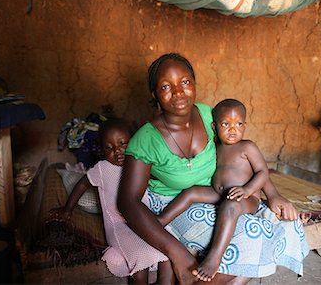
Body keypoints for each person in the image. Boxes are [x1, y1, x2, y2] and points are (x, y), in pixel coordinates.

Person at [118, 53, 309, 285]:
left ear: (194, 84)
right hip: (173, 204)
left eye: (185, 82)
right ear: (155, 94)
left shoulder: (210, 116)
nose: (178, 92)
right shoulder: (145, 139)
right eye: (166, 86)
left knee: (282, 226)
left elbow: (244, 160)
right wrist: (176, 252)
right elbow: (128, 202)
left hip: (215, 195)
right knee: (252, 235)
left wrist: (274, 195)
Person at [157, 98, 288, 282]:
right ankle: (160, 220)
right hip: (218, 192)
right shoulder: (214, 147)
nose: (233, 129)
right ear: (214, 126)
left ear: (245, 125)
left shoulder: (247, 147)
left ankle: (214, 258)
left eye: (239, 124)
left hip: (244, 199)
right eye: (226, 124)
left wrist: (247, 189)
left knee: (230, 207)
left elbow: (262, 172)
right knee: (192, 192)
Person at [51, 118, 173, 285]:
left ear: (134, 142)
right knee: (140, 256)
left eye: (123, 144)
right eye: (109, 148)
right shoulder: (102, 168)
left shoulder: (139, 163)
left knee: (168, 253)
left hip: (142, 222)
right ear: (101, 150)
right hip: (119, 226)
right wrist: (68, 208)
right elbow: (82, 184)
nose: (117, 151)